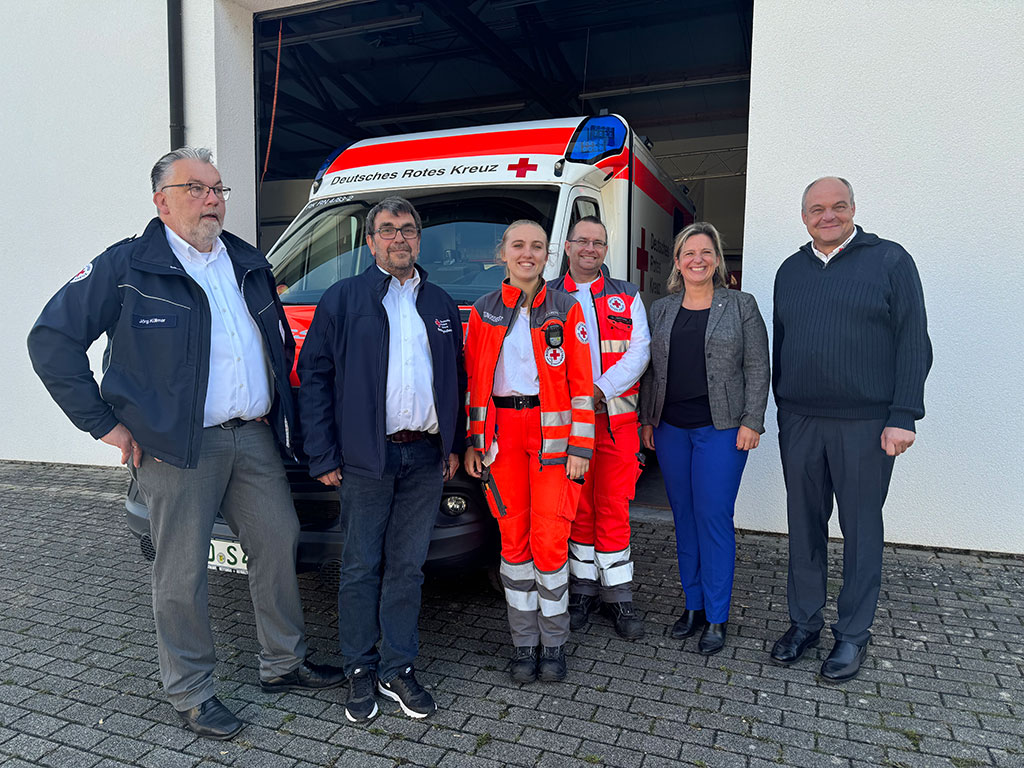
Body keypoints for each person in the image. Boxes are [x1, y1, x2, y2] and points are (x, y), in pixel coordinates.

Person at [26, 147, 344, 740]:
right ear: (161, 200)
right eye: (196, 188)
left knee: (279, 541)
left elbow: (273, 347)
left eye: (218, 189)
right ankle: (193, 692)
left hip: (251, 437)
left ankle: (284, 663)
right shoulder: (129, 266)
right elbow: (50, 341)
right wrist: (103, 424)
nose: (212, 199)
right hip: (176, 447)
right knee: (181, 571)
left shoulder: (246, 262)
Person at [297, 196, 465, 721]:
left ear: (420, 239)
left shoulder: (439, 303)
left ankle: (398, 667)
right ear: (370, 242)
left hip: (425, 459)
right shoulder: (343, 299)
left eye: (408, 230)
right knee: (360, 567)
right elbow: (314, 379)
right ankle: (358, 668)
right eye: (388, 230)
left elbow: (455, 380)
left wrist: (453, 445)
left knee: (407, 568)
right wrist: (321, 452)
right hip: (367, 460)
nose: (399, 239)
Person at [770, 177, 931, 682]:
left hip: (865, 425)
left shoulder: (890, 261)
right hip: (800, 422)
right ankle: (804, 623)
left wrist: (903, 414)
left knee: (861, 532)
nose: (828, 216)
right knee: (804, 528)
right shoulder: (790, 271)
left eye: (838, 206)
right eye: (817, 209)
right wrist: (784, 408)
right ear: (804, 217)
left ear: (854, 209)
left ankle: (852, 636)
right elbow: (783, 343)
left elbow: (914, 342)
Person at [463, 220, 594, 683]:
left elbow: (582, 386)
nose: (528, 254)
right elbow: (474, 385)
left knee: (550, 539)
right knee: (513, 543)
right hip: (501, 440)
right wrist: (474, 442)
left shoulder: (566, 308)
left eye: (537, 246)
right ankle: (523, 643)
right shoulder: (482, 311)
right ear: (503, 253)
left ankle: (554, 643)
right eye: (518, 245)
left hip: (552, 442)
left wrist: (580, 444)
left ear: (547, 254)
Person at [640, 221, 769, 656]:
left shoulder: (741, 305)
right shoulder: (661, 309)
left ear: (717, 259)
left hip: (723, 429)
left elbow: (757, 367)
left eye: (706, 252)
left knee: (712, 517)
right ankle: (692, 606)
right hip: (671, 428)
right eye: (688, 253)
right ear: (677, 262)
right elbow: (651, 370)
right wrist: (647, 420)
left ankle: (717, 615)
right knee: (684, 519)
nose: (698, 259)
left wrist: (753, 420)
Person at [550, 216, 651, 639]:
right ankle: (584, 590)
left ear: (605, 249)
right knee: (578, 510)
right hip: (568, 423)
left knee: (613, 506)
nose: (591, 249)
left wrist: (599, 390)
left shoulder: (627, 295)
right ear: (568, 247)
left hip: (616, 421)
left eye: (599, 243)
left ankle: (619, 596)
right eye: (583, 241)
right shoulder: (548, 296)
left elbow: (639, 351)